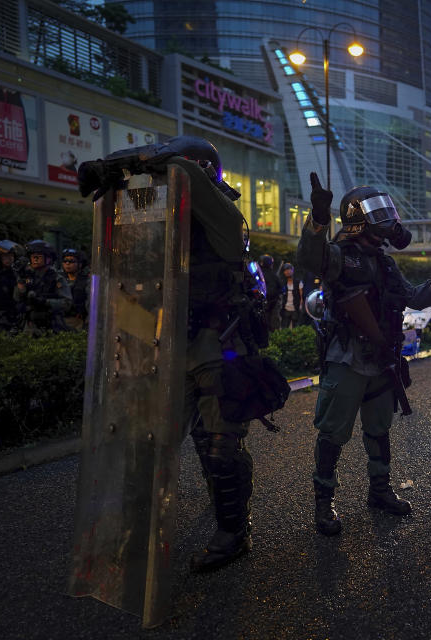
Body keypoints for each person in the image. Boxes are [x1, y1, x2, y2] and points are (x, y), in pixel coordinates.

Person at [78, 135, 262, 572]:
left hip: (215, 347)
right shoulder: (157, 219)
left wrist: (149, 160)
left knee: (220, 445)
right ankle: (133, 530)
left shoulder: (221, 213)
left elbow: (196, 187)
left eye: (168, 173)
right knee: (148, 443)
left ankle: (233, 530)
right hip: (165, 346)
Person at [295, 172, 431, 536]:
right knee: (333, 433)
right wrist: (317, 220)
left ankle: (379, 491)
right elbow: (309, 258)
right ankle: (324, 502)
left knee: (379, 430)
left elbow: (414, 297)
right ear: (356, 217)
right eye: (376, 210)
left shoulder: (384, 263)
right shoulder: (338, 256)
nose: (386, 218)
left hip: (382, 360)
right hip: (348, 357)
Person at [14, 240, 71, 335]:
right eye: (32, 257)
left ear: (48, 259)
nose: (35, 260)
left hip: (51, 325)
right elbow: (16, 298)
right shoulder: (27, 276)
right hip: (29, 326)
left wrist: (45, 302)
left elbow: (67, 303)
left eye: (38, 257)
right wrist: (21, 282)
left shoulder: (56, 278)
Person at [57, 248, 90, 330]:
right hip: (59, 320)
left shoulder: (86, 281)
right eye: (65, 261)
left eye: (72, 261)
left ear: (80, 264)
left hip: (78, 321)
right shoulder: (58, 278)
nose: (67, 263)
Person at [259, 254, 283, 331]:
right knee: (273, 325)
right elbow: (281, 288)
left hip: (261, 303)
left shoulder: (259, 275)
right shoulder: (274, 276)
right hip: (273, 303)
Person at [279, 263, 300, 329]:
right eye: (285, 270)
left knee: (295, 330)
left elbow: (301, 296)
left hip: (295, 309)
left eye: (289, 269)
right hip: (285, 309)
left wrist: (300, 306)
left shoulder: (298, 282)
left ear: (292, 270)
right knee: (284, 329)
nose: (287, 271)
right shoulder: (282, 282)